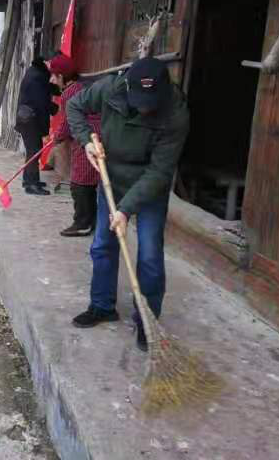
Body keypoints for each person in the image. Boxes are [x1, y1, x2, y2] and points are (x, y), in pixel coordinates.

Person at [66, 56, 190, 352]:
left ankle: (147, 320)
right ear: (128, 87)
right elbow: (74, 107)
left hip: (149, 187)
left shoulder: (176, 113)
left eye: (151, 101)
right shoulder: (111, 88)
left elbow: (161, 172)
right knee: (102, 245)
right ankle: (102, 305)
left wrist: (124, 209)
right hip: (111, 177)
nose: (144, 107)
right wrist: (86, 141)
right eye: (139, 100)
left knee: (148, 254)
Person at [52, 58, 102, 237]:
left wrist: (56, 137)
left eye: (55, 76)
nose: (52, 80)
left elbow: (68, 123)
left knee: (80, 183)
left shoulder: (70, 93)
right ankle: (94, 221)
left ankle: (82, 223)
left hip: (86, 139)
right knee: (90, 182)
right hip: (96, 136)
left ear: (63, 76)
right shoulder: (82, 87)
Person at [15, 56, 60, 195]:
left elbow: (47, 91)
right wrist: (46, 131)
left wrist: (59, 92)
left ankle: (29, 180)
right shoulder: (37, 77)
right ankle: (31, 185)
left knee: (33, 151)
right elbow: (41, 105)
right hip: (30, 120)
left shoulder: (37, 72)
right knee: (34, 151)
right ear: (46, 62)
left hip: (27, 118)